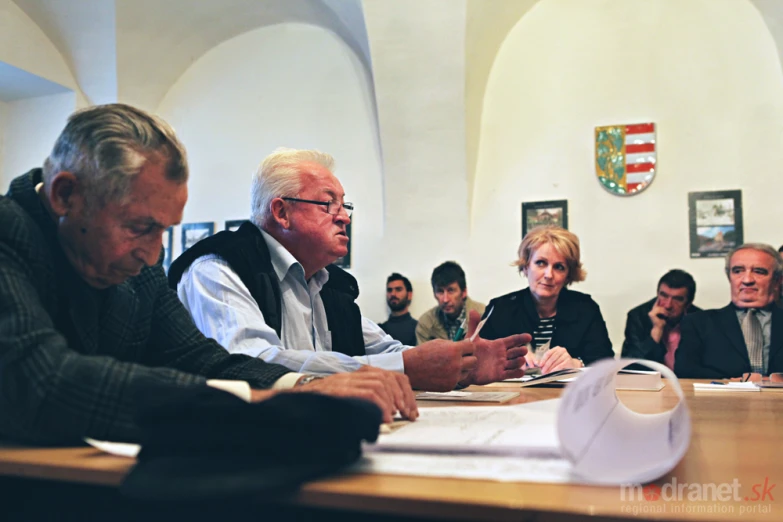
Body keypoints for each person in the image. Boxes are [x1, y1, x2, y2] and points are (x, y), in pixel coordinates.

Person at [0, 104, 419, 445]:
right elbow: (44, 382)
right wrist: (250, 401)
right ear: (65, 195)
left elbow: (197, 358)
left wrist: (303, 385)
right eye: (140, 227)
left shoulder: (136, 267)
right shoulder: (8, 236)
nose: (154, 255)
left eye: (164, 230)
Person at [171, 148, 529, 392]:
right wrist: (407, 367)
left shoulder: (330, 283)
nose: (344, 217)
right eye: (328, 204)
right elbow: (252, 363)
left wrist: (461, 364)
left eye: (345, 206)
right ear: (281, 213)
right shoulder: (216, 268)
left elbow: (388, 349)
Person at [479, 226, 614, 374]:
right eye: (541, 263)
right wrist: (507, 360)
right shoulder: (500, 308)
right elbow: (478, 359)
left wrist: (576, 364)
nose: (549, 274)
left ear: (568, 275)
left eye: (559, 267)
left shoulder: (586, 309)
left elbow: (606, 364)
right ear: (525, 267)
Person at [675, 243, 783, 378]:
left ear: (778, 280)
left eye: (758, 271)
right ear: (729, 277)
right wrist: (731, 382)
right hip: (722, 398)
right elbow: (684, 372)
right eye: (738, 271)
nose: (747, 280)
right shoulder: (698, 323)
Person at [621, 269, 701, 370]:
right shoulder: (638, 317)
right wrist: (656, 330)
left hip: (686, 383)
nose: (668, 305)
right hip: (651, 383)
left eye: (677, 299)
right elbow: (632, 368)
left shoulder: (700, 320)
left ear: (688, 303)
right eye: (663, 295)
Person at [415, 261, 486, 344]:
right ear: (434, 294)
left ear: (464, 292)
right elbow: (421, 356)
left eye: (451, 290)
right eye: (440, 291)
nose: (445, 299)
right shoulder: (426, 322)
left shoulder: (483, 315)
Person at [379, 273, 418, 346]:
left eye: (398, 289)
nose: (393, 294)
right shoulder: (379, 330)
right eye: (389, 290)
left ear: (409, 295)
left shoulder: (420, 329)